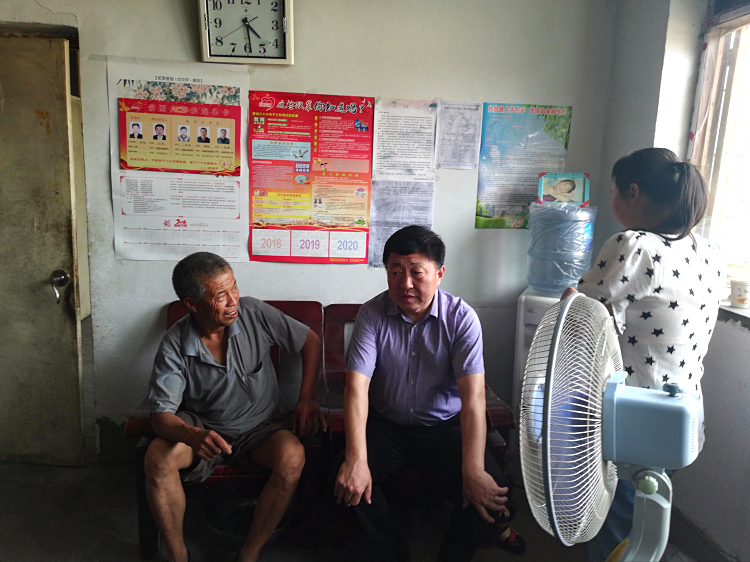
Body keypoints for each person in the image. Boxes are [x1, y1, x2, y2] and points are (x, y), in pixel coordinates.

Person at [561, 148, 725, 561]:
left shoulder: (634, 246)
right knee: (648, 518)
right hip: (681, 412)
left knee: (615, 520)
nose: (613, 199)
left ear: (632, 193)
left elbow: (579, 316)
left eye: (614, 192)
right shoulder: (706, 250)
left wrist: (568, 297)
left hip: (631, 414)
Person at [334, 225, 525, 562]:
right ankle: (392, 555)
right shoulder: (371, 315)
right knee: (348, 481)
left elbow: (474, 399)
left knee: (491, 492)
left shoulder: (461, 318)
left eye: (416, 272)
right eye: (396, 272)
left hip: (445, 430)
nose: (405, 283)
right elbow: (356, 388)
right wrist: (356, 459)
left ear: (439, 274)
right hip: (387, 428)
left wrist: (473, 469)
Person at [145, 252, 325, 562]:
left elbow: (310, 341)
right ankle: (178, 554)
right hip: (205, 431)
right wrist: (192, 435)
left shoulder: (253, 312)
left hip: (263, 430)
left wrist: (306, 398)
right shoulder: (175, 344)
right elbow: (160, 417)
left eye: (234, 288)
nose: (233, 301)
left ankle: (249, 552)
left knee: (293, 456)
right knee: (157, 458)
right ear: (191, 304)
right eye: (220, 295)